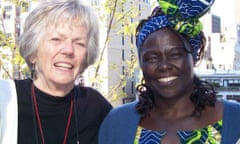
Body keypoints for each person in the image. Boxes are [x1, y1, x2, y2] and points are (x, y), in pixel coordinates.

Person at [99, 0, 240, 143]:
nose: (164, 66)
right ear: (141, 64)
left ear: (194, 56)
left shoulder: (235, 120)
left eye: (175, 54)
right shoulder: (117, 124)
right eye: (152, 58)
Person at [0, 0, 112, 143]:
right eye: (56, 39)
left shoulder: (96, 107)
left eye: (79, 43)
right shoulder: (5, 99)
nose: (68, 50)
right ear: (33, 52)